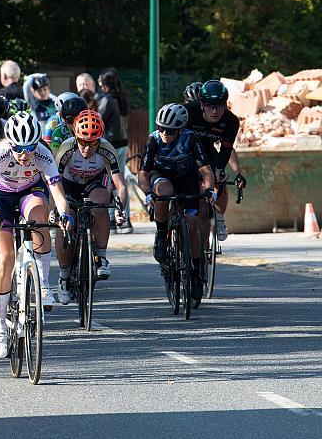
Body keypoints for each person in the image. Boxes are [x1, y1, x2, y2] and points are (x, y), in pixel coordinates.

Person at [0, 112, 72, 357]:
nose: (24, 155)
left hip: (29, 192)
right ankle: (0, 327)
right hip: (1, 197)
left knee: (40, 216)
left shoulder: (42, 153)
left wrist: (65, 215)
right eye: (19, 149)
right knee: (5, 257)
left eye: (29, 148)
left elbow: (59, 196)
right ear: (10, 143)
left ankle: (42, 285)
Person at [138, 103, 215, 303]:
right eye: (161, 127)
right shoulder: (154, 139)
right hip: (161, 175)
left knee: (191, 222)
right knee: (164, 192)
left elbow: (206, 171)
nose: (164, 132)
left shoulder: (191, 138)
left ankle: (196, 270)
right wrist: (147, 192)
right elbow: (143, 174)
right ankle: (162, 236)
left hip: (186, 178)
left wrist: (209, 190)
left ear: (180, 130)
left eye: (169, 130)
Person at [54, 110, 128, 302]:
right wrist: (55, 209)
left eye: (92, 142)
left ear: (99, 140)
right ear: (75, 137)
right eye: (83, 142)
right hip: (69, 183)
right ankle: (63, 278)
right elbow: (54, 182)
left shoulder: (107, 149)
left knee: (100, 205)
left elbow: (120, 184)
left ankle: (101, 257)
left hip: (95, 181)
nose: (87, 148)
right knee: (67, 218)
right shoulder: (67, 148)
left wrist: (121, 209)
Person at [184, 80, 245, 241]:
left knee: (219, 178)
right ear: (201, 105)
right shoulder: (189, 112)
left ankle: (219, 216)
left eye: (219, 105)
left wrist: (221, 169)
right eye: (210, 105)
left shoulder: (230, 121)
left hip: (208, 152)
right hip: (186, 153)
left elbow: (227, 149)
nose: (215, 110)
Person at [96, 68, 133, 233]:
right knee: (120, 181)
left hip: (110, 145)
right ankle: (123, 218)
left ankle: (112, 218)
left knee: (109, 182)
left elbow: (98, 120)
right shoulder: (122, 97)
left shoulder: (107, 100)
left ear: (104, 83)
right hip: (123, 144)